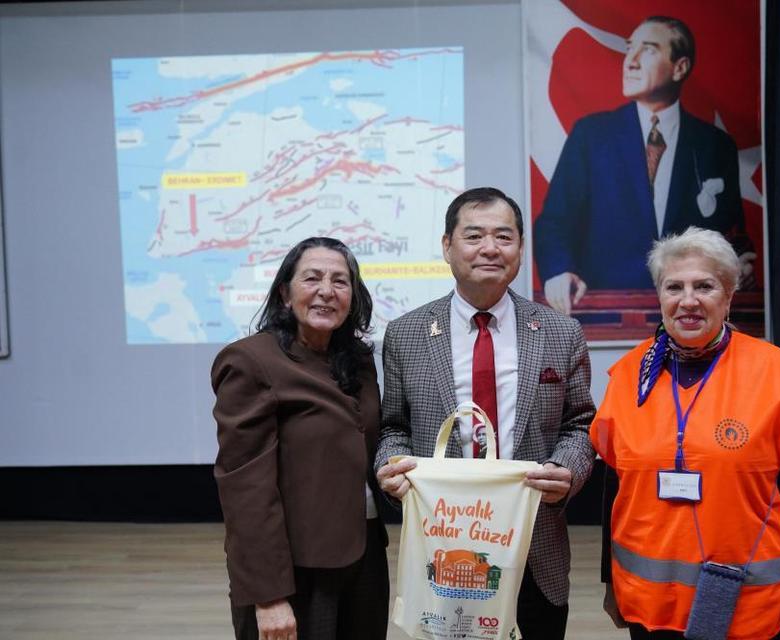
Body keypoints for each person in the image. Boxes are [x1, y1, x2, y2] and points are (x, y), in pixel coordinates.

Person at [375, 187, 597, 639]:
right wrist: (390, 466)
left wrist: (567, 471)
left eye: (504, 236)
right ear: (447, 246)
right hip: (444, 548)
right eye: (474, 236)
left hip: (533, 544)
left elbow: (580, 424)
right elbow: (393, 428)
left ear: (520, 248)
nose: (490, 248)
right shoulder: (406, 333)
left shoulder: (561, 331)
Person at [591, 227, 780, 639]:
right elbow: (615, 487)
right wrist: (611, 582)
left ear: (728, 296)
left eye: (704, 286)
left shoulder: (774, 373)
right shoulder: (628, 376)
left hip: (750, 609)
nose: (688, 300)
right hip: (649, 606)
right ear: (660, 296)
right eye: (674, 287)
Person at [212, 237, 388, 640]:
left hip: (364, 558)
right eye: (312, 278)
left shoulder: (358, 360)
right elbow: (246, 491)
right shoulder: (252, 361)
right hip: (294, 570)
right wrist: (268, 596)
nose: (327, 291)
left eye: (340, 281)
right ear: (285, 294)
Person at [534, 15, 754, 315]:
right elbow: (554, 222)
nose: (631, 61)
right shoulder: (591, 136)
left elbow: (731, 234)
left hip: (690, 310)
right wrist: (559, 271)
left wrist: (741, 263)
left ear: (680, 67)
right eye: (629, 48)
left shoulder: (715, 145)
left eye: (648, 49)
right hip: (606, 312)